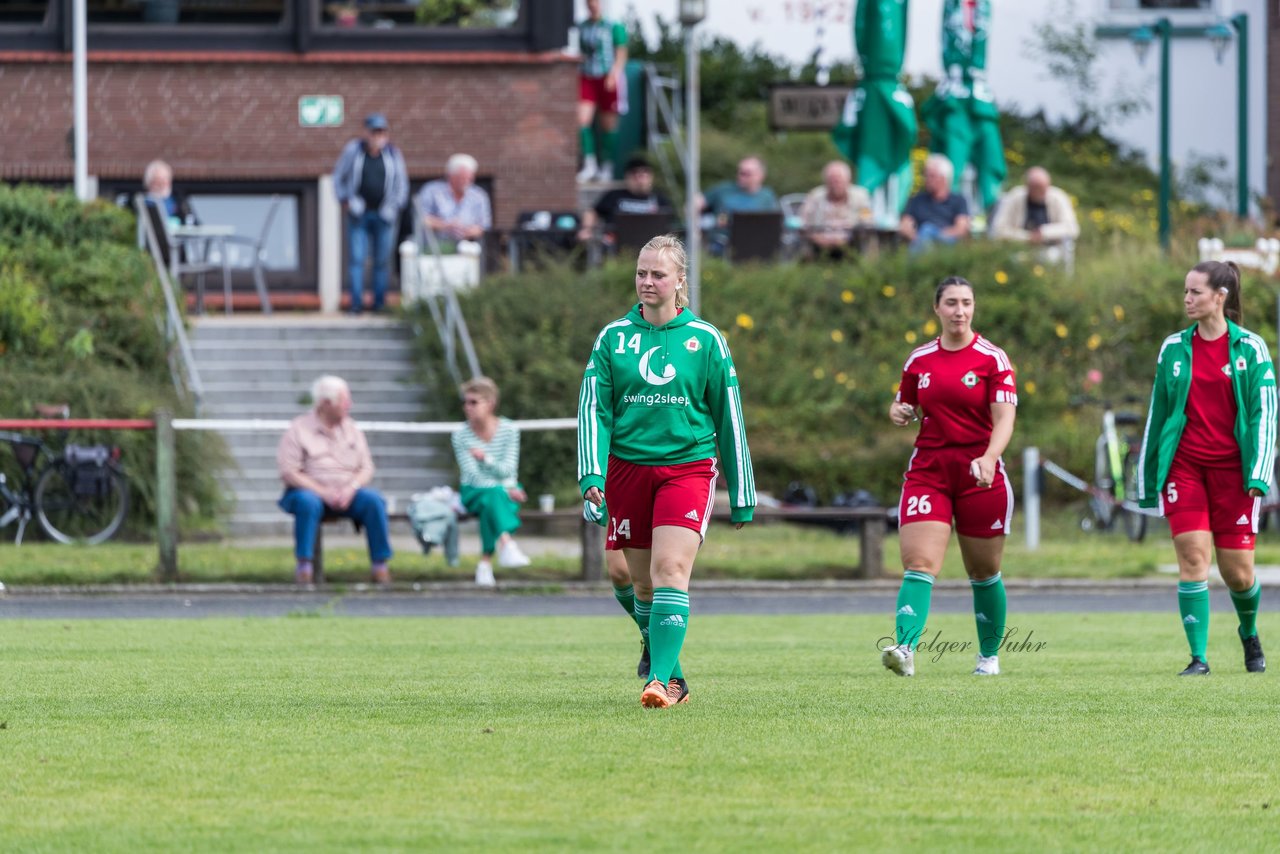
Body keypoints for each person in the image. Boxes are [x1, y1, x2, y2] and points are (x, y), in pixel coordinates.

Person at [577, 234, 756, 709]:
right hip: (626, 470)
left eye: (658, 274)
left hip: (688, 469)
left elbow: (729, 416)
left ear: (681, 281)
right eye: (641, 273)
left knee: (670, 569)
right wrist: (591, 475)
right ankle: (669, 665)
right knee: (638, 584)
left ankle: (659, 682)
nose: (648, 282)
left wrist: (742, 491)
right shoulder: (613, 338)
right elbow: (594, 409)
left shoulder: (706, 340)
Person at [1137, 261, 1274, 676]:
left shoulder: (1251, 348)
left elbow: (1263, 414)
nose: (1187, 299)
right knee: (1194, 559)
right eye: (1185, 291)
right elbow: (1157, 414)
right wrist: (1147, 478)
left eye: (1195, 292)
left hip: (1234, 474)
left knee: (1238, 573)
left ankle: (1248, 632)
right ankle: (1198, 658)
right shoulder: (1173, 348)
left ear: (1221, 296)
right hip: (1186, 469)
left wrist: (1259, 474)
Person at [882, 276, 1017, 677]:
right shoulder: (919, 360)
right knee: (919, 562)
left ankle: (988, 657)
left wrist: (991, 457)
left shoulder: (993, 359)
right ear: (937, 309)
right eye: (952, 303)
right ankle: (905, 649)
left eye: (967, 303)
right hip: (929, 471)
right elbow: (902, 405)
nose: (960, 311)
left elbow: (1005, 417)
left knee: (984, 571)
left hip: (980, 473)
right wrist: (898, 412)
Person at [277, 375, 392, 586]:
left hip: (349, 492)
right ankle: (304, 566)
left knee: (374, 500)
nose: (350, 405)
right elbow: (289, 472)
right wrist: (323, 492)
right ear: (326, 404)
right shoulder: (298, 430)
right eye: (344, 400)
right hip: (309, 492)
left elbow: (366, 467)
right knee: (307, 502)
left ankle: (380, 565)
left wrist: (351, 487)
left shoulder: (353, 430)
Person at [452, 376, 532, 587]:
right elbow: (472, 475)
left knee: (491, 502)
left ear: (491, 403)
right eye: (466, 402)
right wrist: (505, 488)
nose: (467, 407)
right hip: (474, 491)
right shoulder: (460, 435)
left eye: (473, 402)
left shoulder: (509, 430)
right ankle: (507, 543)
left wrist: (485, 458)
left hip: (502, 489)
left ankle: (485, 564)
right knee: (494, 495)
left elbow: (508, 468)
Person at [332, 112, 409, 314]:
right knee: (357, 259)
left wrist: (395, 206)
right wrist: (345, 200)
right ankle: (356, 304)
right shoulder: (354, 151)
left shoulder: (393, 154)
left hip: (385, 216)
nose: (377, 136)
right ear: (366, 132)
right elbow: (338, 176)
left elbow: (402, 183)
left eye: (381, 131)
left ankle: (379, 304)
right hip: (359, 215)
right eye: (374, 131)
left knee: (381, 261)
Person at [576, 0, 628, 183]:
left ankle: (606, 166)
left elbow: (621, 53)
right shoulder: (581, 27)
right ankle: (589, 164)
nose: (593, 5)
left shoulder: (614, 26)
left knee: (609, 125)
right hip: (587, 77)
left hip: (608, 78)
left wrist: (614, 74)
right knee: (582, 121)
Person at [989, 166, 1080, 264]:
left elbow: (1072, 228)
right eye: (1037, 188)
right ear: (1028, 186)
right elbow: (998, 229)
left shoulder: (1058, 197)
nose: (1042, 192)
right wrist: (1028, 237)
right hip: (1018, 249)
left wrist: (1043, 233)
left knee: (1051, 257)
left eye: (1044, 187)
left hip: (1051, 249)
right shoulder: (1014, 197)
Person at [576, 156, 671, 246]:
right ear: (627, 177)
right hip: (616, 245)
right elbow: (592, 212)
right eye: (635, 174)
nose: (640, 179)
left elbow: (671, 223)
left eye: (644, 174)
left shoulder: (659, 199)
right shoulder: (614, 196)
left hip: (650, 247)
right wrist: (586, 229)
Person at [699, 156, 779, 256]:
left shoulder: (767, 196)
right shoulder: (724, 190)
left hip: (756, 243)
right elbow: (696, 203)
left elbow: (775, 222)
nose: (741, 176)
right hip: (722, 240)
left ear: (760, 176)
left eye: (747, 174)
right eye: (740, 172)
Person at [415, 153, 492, 250]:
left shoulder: (479, 196)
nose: (466, 181)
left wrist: (467, 231)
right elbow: (421, 219)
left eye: (469, 178)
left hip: (468, 249)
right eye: (462, 178)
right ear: (451, 176)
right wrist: (445, 225)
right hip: (435, 248)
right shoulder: (432, 191)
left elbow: (483, 226)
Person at [799, 160, 873, 260]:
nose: (835, 184)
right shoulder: (815, 196)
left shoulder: (861, 196)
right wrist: (818, 238)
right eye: (832, 180)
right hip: (818, 247)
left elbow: (867, 221)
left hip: (851, 246)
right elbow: (802, 222)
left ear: (848, 180)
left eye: (838, 180)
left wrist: (847, 239)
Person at [899, 154, 970, 253]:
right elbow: (905, 226)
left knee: (928, 230)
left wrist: (938, 235)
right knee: (926, 230)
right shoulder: (916, 200)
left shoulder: (958, 200)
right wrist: (918, 238)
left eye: (931, 176)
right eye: (926, 175)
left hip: (946, 242)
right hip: (921, 241)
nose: (926, 179)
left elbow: (961, 228)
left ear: (944, 179)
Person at [141, 159, 197, 230]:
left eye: (166, 179)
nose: (163, 184)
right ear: (149, 182)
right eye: (159, 180)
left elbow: (194, 223)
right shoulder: (144, 202)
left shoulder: (179, 200)